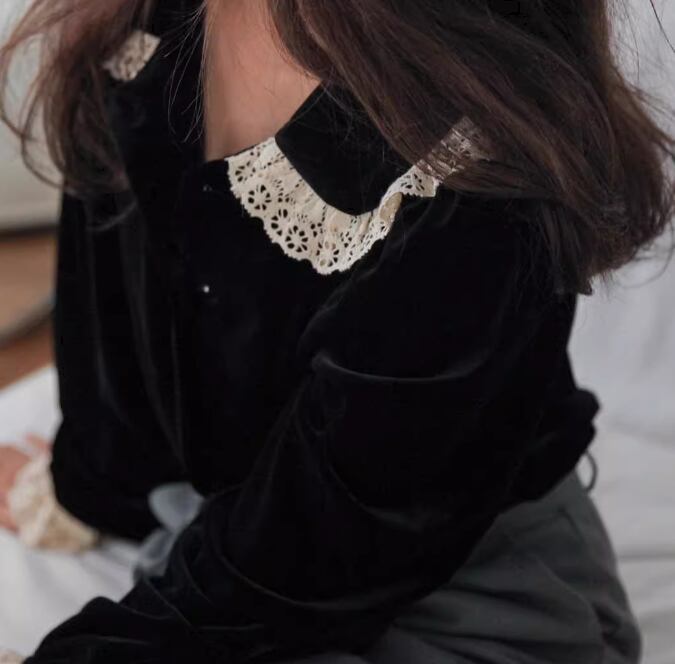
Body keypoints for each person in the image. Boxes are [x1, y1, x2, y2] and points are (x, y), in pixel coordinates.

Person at [0, 0, 672, 662]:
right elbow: (121, 306)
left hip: (457, 595)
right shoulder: (153, 25)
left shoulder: (465, 159)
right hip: (251, 544)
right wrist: (91, 485)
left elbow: (329, 552)